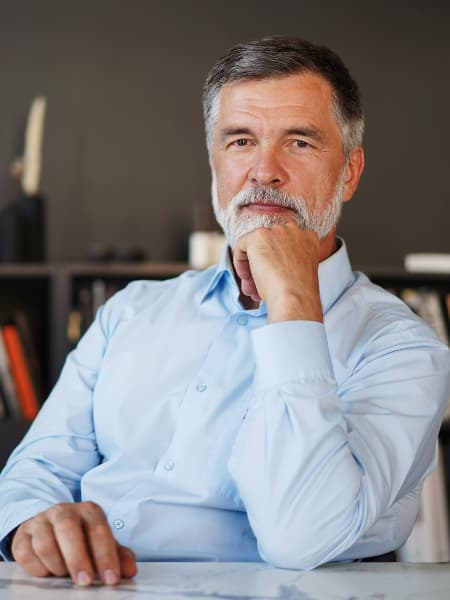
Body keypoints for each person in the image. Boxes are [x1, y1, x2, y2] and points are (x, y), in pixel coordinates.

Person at [1, 36, 449, 586]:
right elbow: (35, 470)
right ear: (213, 160)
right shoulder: (131, 312)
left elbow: (300, 535)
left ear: (349, 172)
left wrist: (293, 304)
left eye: (300, 143)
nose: (264, 171)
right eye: (240, 141)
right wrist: (32, 525)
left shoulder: (405, 351)